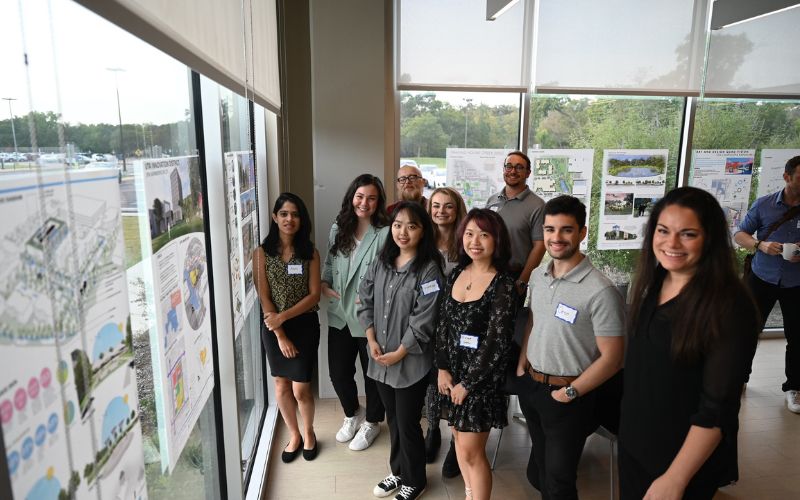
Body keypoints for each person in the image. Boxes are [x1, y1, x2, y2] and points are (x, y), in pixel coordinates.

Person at [620, 187, 759, 499]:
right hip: (636, 445)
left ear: (709, 239)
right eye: (663, 231)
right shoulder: (655, 281)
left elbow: (717, 409)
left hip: (680, 462)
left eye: (688, 234)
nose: (671, 243)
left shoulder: (729, 307)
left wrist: (675, 478)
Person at [516, 195, 625, 499]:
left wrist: (571, 392)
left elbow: (613, 358)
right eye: (550, 229)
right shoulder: (538, 276)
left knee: (560, 482)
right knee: (540, 472)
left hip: (569, 395)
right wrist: (522, 364)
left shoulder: (601, 290)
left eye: (566, 229)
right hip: (533, 387)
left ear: (582, 233)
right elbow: (533, 320)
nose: (556, 237)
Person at [358, 201, 443, 500]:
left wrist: (399, 352)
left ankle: (415, 480)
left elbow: (424, 319)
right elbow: (365, 299)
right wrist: (371, 339)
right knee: (393, 419)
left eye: (411, 226)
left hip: (409, 363)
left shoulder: (429, 270)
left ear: (423, 231)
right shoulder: (381, 262)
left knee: (407, 423)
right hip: (380, 358)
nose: (402, 232)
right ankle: (398, 471)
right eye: (397, 225)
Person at [434, 208, 516, 500]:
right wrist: (442, 368)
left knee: (472, 451)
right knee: (457, 437)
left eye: (484, 235)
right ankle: (470, 495)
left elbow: (497, 343)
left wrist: (468, 384)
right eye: (469, 234)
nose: (475, 241)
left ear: (497, 240)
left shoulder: (503, 284)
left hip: (480, 381)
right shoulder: (458, 272)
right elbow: (442, 324)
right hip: (452, 374)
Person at [322, 174, 389, 451]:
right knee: (338, 373)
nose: (364, 203)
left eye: (371, 198)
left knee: (372, 375)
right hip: (339, 312)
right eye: (360, 196)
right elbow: (330, 260)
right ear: (352, 197)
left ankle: (372, 421)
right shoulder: (339, 228)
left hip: (369, 314)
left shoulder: (385, 232)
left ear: (378, 202)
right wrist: (324, 284)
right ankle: (353, 413)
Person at [254, 193, 322, 463]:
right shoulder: (261, 254)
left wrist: (283, 318)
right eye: (284, 214)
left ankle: (309, 432)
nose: (289, 219)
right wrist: (280, 332)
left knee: (301, 389)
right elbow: (264, 296)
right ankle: (294, 435)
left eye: (295, 214)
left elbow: (314, 296)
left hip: (304, 324)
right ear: (275, 217)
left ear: (301, 220)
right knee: (281, 385)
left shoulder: (310, 253)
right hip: (274, 329)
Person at [733, 155, 800, 414]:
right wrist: (761, 245)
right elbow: (739, 234)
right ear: (787, 177)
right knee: (747, 331)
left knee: (798, 336)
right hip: (762, 277)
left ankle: (794, 388)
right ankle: (740, 378)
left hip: (796, 282)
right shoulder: (764, 205)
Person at [423, 186, 468, 462]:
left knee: (456, 377)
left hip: (459, 325)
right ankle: (433, 430)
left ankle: (456, 439)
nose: (441, 211)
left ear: (457, 209)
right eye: (436, 206)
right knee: (432, 379)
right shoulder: (422, 241)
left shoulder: (466, 242)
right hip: (428, 321)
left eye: (448, 206)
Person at [485, 150, 546, 295]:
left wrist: (523, 280)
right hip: (486, 271)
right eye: (509, 166)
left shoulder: (538, 205)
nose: (513, 171)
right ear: (504, 170)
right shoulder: (492, 200)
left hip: (514, 276)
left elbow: (540, 246)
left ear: (528, 173)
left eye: (519, 167)